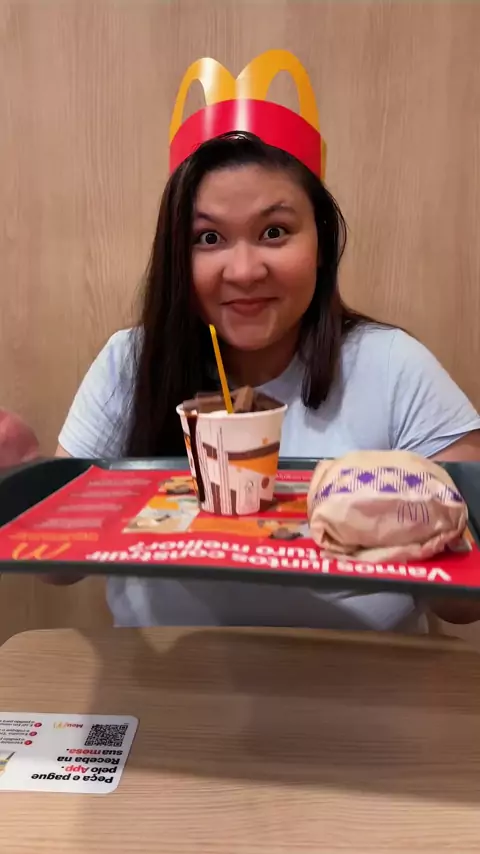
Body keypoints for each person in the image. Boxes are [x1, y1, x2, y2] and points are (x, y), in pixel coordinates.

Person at [53, 131, 480, 631]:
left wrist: (423, 527)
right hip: (168, 674)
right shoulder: (130, 363)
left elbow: (464, 608)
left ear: (321, 244)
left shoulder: (395, 365)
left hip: (361, 671)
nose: (244, 271)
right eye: (208, 238)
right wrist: (14, 491)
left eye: (274, 232)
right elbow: (59, 566)